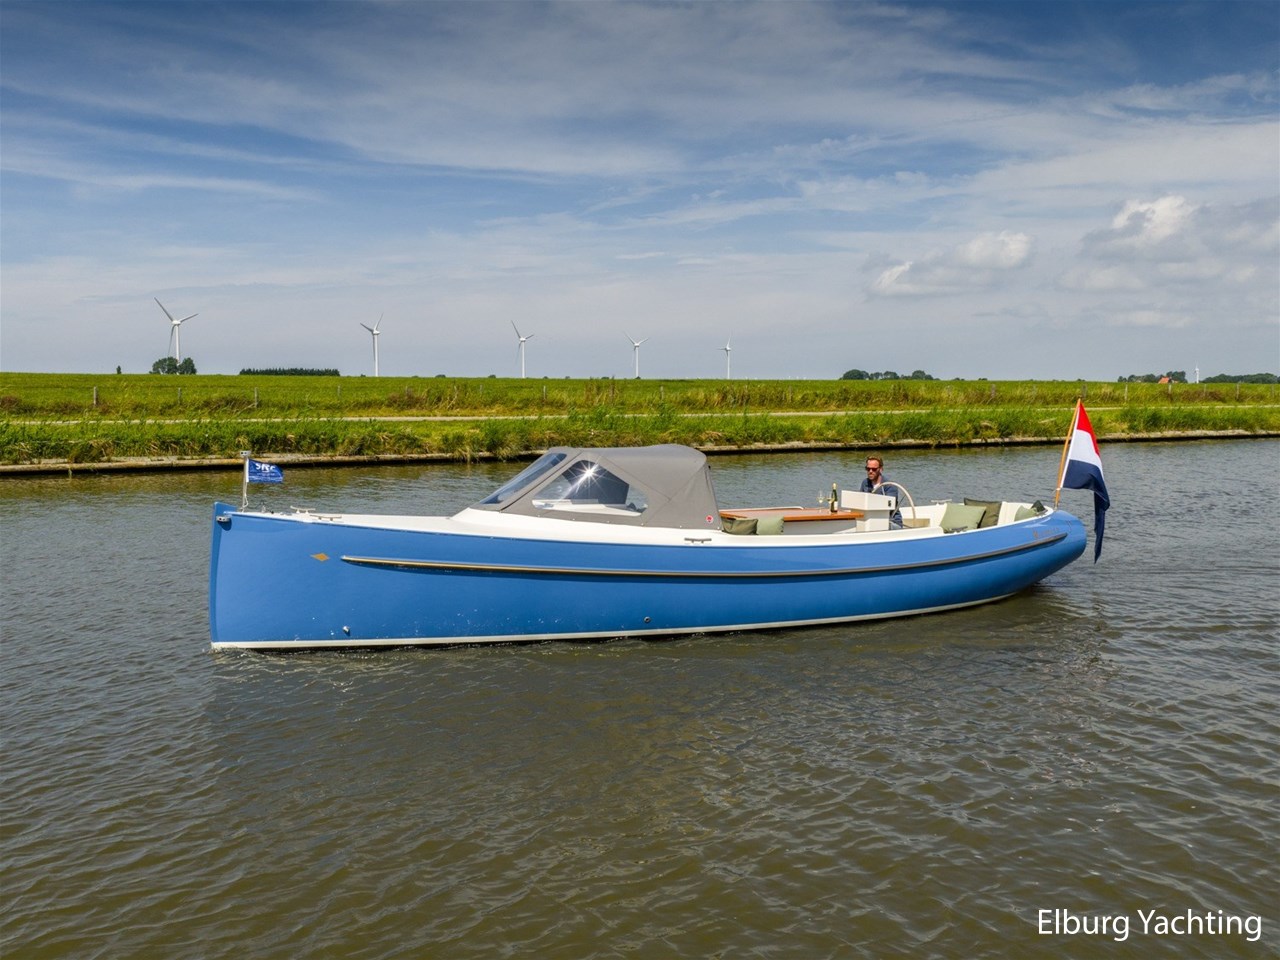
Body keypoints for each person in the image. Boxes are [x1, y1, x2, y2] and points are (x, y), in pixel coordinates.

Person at [860, 455, 903, 527]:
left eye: (874, 469)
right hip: (872, 520)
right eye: (868, 469)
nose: (870, 471)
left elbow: (888, 507)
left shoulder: (890, 485)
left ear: (880, 469)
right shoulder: (865, 483)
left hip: (892, 522)